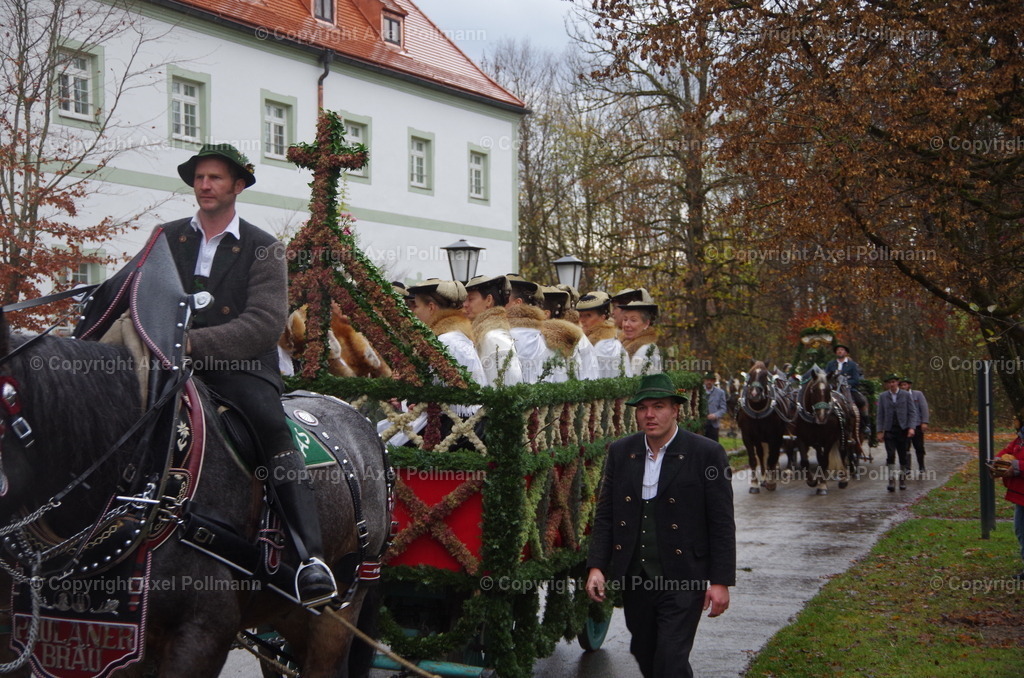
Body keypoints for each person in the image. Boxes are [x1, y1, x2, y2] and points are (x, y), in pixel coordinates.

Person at [172, 144, 335, 606]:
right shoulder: (165, 238)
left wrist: (195, 344)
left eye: (215, 178)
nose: (204, 185)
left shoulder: (265, 248)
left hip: (240, 368)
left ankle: (310, 557)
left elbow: (264, 323)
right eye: (199, 177)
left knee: (269, 425)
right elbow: (136, 291)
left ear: (237, 186)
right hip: (168, 362)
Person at [586, 373, 736, 678]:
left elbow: (721, 523)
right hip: (636, 577)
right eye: (643, 408)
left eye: (659, 406)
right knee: (646, 653)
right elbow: (606, 514)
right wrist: (597, 566)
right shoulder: (621, 451)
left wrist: (720, 581)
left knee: (670, 658)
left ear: (675, 410)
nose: (650, 415)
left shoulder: (706, 453)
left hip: (684, 577)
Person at [463, 274, 523, 386]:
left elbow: (507, 388)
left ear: (489, 300)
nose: (465, 305)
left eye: (470, 299)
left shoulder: (494, 338)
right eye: (464, 300)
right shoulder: (488, 335)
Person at [989, 410, 1024, 580]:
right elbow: (1007, 450)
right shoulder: (1020, 437)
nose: (1015, 421)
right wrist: (997, 462)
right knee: (1021, 530)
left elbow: (1015, 461)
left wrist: (1016, 466)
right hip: (1021, 494)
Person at [875, 373, 919, 491]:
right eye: (889, 383)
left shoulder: (905, 395)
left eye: (893, 382)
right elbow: (880, 414)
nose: (892, 384)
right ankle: (891, 480)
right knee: (890, 455)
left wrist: (911, 427)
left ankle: (902, 479)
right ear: (887, 384)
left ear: (897, 383)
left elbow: (912, 412)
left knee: (903, 455)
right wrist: (879, 430)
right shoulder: (883, 396)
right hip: (889, 429)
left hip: (903, 429)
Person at [576, 291, 631, 379]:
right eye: (581, 315)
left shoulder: (606, 346)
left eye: (588, 315)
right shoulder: (587, 342)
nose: (582, 320)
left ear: (603, 317)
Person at [825, 343, 870, 437]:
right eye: (838, 350)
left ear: (845, 352)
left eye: (841, 350)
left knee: (861, 401)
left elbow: (856, 380)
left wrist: (846, 384)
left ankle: (865, 425)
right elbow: (826, 377)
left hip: (848, 390)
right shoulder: (830, 364)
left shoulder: (852, 365)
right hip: (833, 390)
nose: (839, 351)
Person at [619, 299, 662, 375]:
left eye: (633, 320)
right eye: (625, 319)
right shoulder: (622, 344)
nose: (626, 324)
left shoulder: (646, 350)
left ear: (646, 324)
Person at [899, 377, 929, 476]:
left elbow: (924, 408)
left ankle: (921, 465)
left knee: (919, 446)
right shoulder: (898, 396)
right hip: (905, 426)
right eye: (901, 385)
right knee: (905, 447)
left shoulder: (918, 394)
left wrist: (924, 422)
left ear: (909, 385)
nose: (903, 387)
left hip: (917, 425)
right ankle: (907, 467)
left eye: (905, 385)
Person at [702, 372, 728, 441]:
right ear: (704, 381)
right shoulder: (700, 391)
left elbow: (723, 408)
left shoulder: (720, 392)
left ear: (714, 381)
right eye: (707, 380)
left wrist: (715, 415)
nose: (709, 382)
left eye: (711, 380)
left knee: (713, 445)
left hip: (713, 424)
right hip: (701, 424)